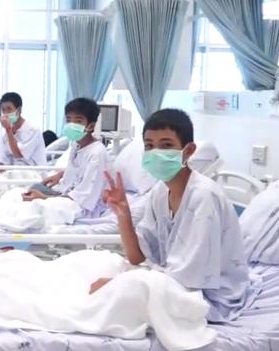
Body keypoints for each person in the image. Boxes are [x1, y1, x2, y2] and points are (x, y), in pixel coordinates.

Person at [89, 109, 257, 323]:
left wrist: (122, 283)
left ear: (188, 151)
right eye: (149, 146)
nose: (155, 152)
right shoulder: (160, 192)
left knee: (112, 295)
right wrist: (123, 213)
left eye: (166, 145)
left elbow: (189, 280)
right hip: (174, 282)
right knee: (93, 264)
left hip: (208, 296)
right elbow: (137, 257)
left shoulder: (203, 197)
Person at [22, 98, 109, 218]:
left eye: (78, 121)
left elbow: (84, 199)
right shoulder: (76, 144)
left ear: (91, 126)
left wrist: (44, 198)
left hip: (79, 207)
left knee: (35, 208)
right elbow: (76, 172)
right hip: (65, 195)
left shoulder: (96, 153)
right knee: (23, 193)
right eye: (68, 120)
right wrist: (61, 175)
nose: (71, 124)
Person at [0, 92, 47, 179]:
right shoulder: (5, 136)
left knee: (1, 184)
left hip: (33, 174)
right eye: (3, 109)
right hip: (14, 172)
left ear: (19, 110)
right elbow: (3, 159)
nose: (5, 113)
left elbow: (18, 154)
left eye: (9, 109)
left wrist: (8, 130)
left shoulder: (33, 130)